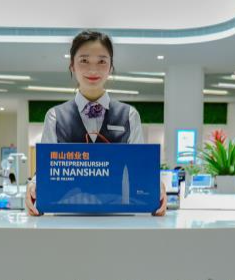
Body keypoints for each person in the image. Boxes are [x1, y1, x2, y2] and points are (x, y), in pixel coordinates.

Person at [25, 30, 167, 216]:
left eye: (101, 61)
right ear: (72, 66)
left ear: (111, 67)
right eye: (84, 60)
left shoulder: (129, 115)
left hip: (119, 217)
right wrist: (34, 186)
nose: (93, 70)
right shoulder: (55, 116)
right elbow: (45, 170)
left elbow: (139, 169)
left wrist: (156, 186)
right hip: (68, 216)